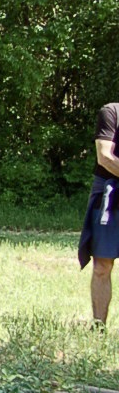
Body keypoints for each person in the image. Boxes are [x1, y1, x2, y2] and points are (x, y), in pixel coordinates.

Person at [80, 102, 119, 325]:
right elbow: (104, 156)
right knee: (102, 265)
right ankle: (98, 328)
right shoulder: (111, 112)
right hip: (110, 192)